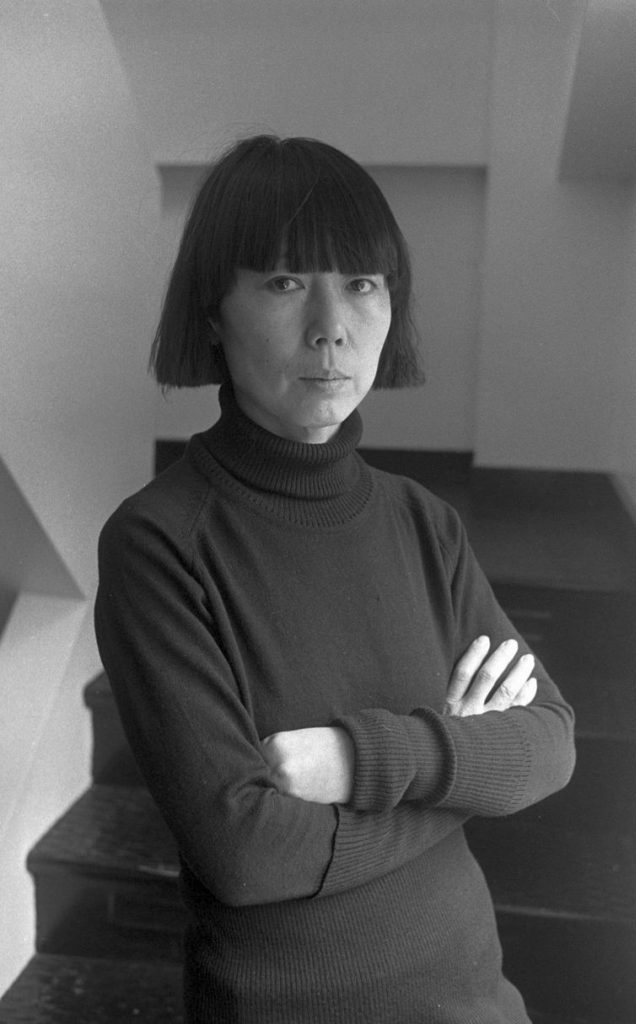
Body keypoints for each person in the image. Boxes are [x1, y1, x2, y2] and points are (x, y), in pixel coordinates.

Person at [94, 134, 575, 1024]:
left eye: (362, 283)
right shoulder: (159, 543)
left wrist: (356, 761)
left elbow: (549, 744)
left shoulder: (423, 521)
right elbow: (246, 855)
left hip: (476, 1003)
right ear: (211, 313)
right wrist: (463, 768)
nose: (332, 326)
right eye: (283, 282)